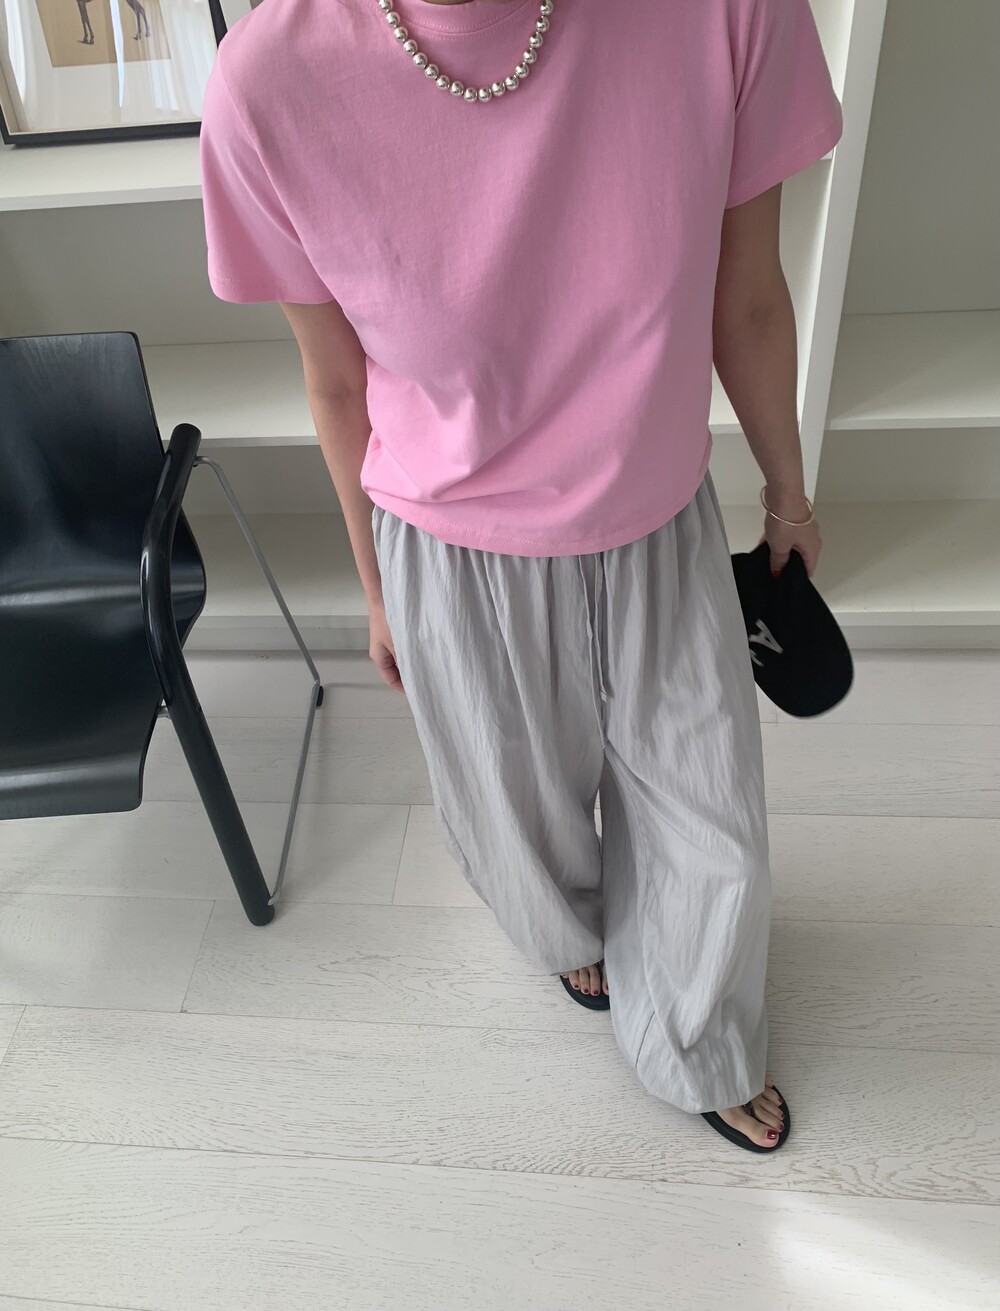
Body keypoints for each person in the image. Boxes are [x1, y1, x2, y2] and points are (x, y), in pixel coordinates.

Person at [200, 0, 842, 1152]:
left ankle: (694, 1038)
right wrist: (378, 590)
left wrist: (787, 496)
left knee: (714, 831)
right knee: (514, 820)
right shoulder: (269, 80)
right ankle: (571, 937)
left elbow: (745, 296)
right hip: (449, 546)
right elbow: (337, 381)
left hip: (657, 519)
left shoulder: (726, 12)